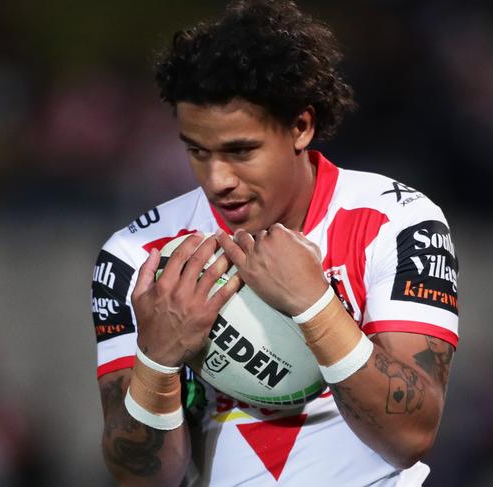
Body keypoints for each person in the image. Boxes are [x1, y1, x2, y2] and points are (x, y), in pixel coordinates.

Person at [91, 1, 459, 485]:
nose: (217, 179)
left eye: (241, 151)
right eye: (198, 152)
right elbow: (140, 478)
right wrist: (156, 359)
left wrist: (313, 305)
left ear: (301, 127)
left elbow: (410, 435)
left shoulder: (398, 222)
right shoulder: (138, 257)